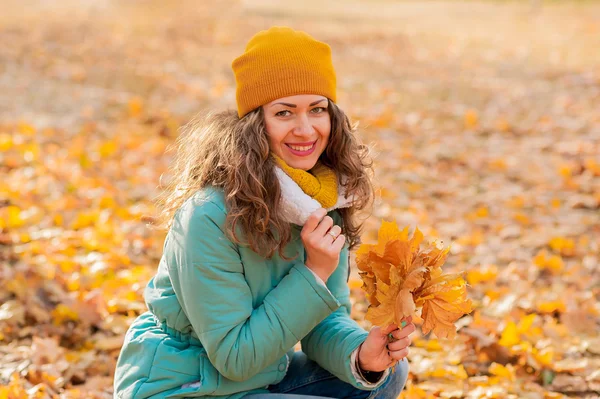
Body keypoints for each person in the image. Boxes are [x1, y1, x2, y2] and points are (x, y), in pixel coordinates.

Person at [113, 26, 415, 399]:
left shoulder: (320, 201)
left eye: (317, 109)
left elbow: (323, 322)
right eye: (284, 112)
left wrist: (361, 354)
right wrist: (314, 270)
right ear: (256, 124)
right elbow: (235, 357)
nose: (305, 129)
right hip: (184, 386)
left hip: (262, 375)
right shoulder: (208, 216)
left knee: (385, 372)